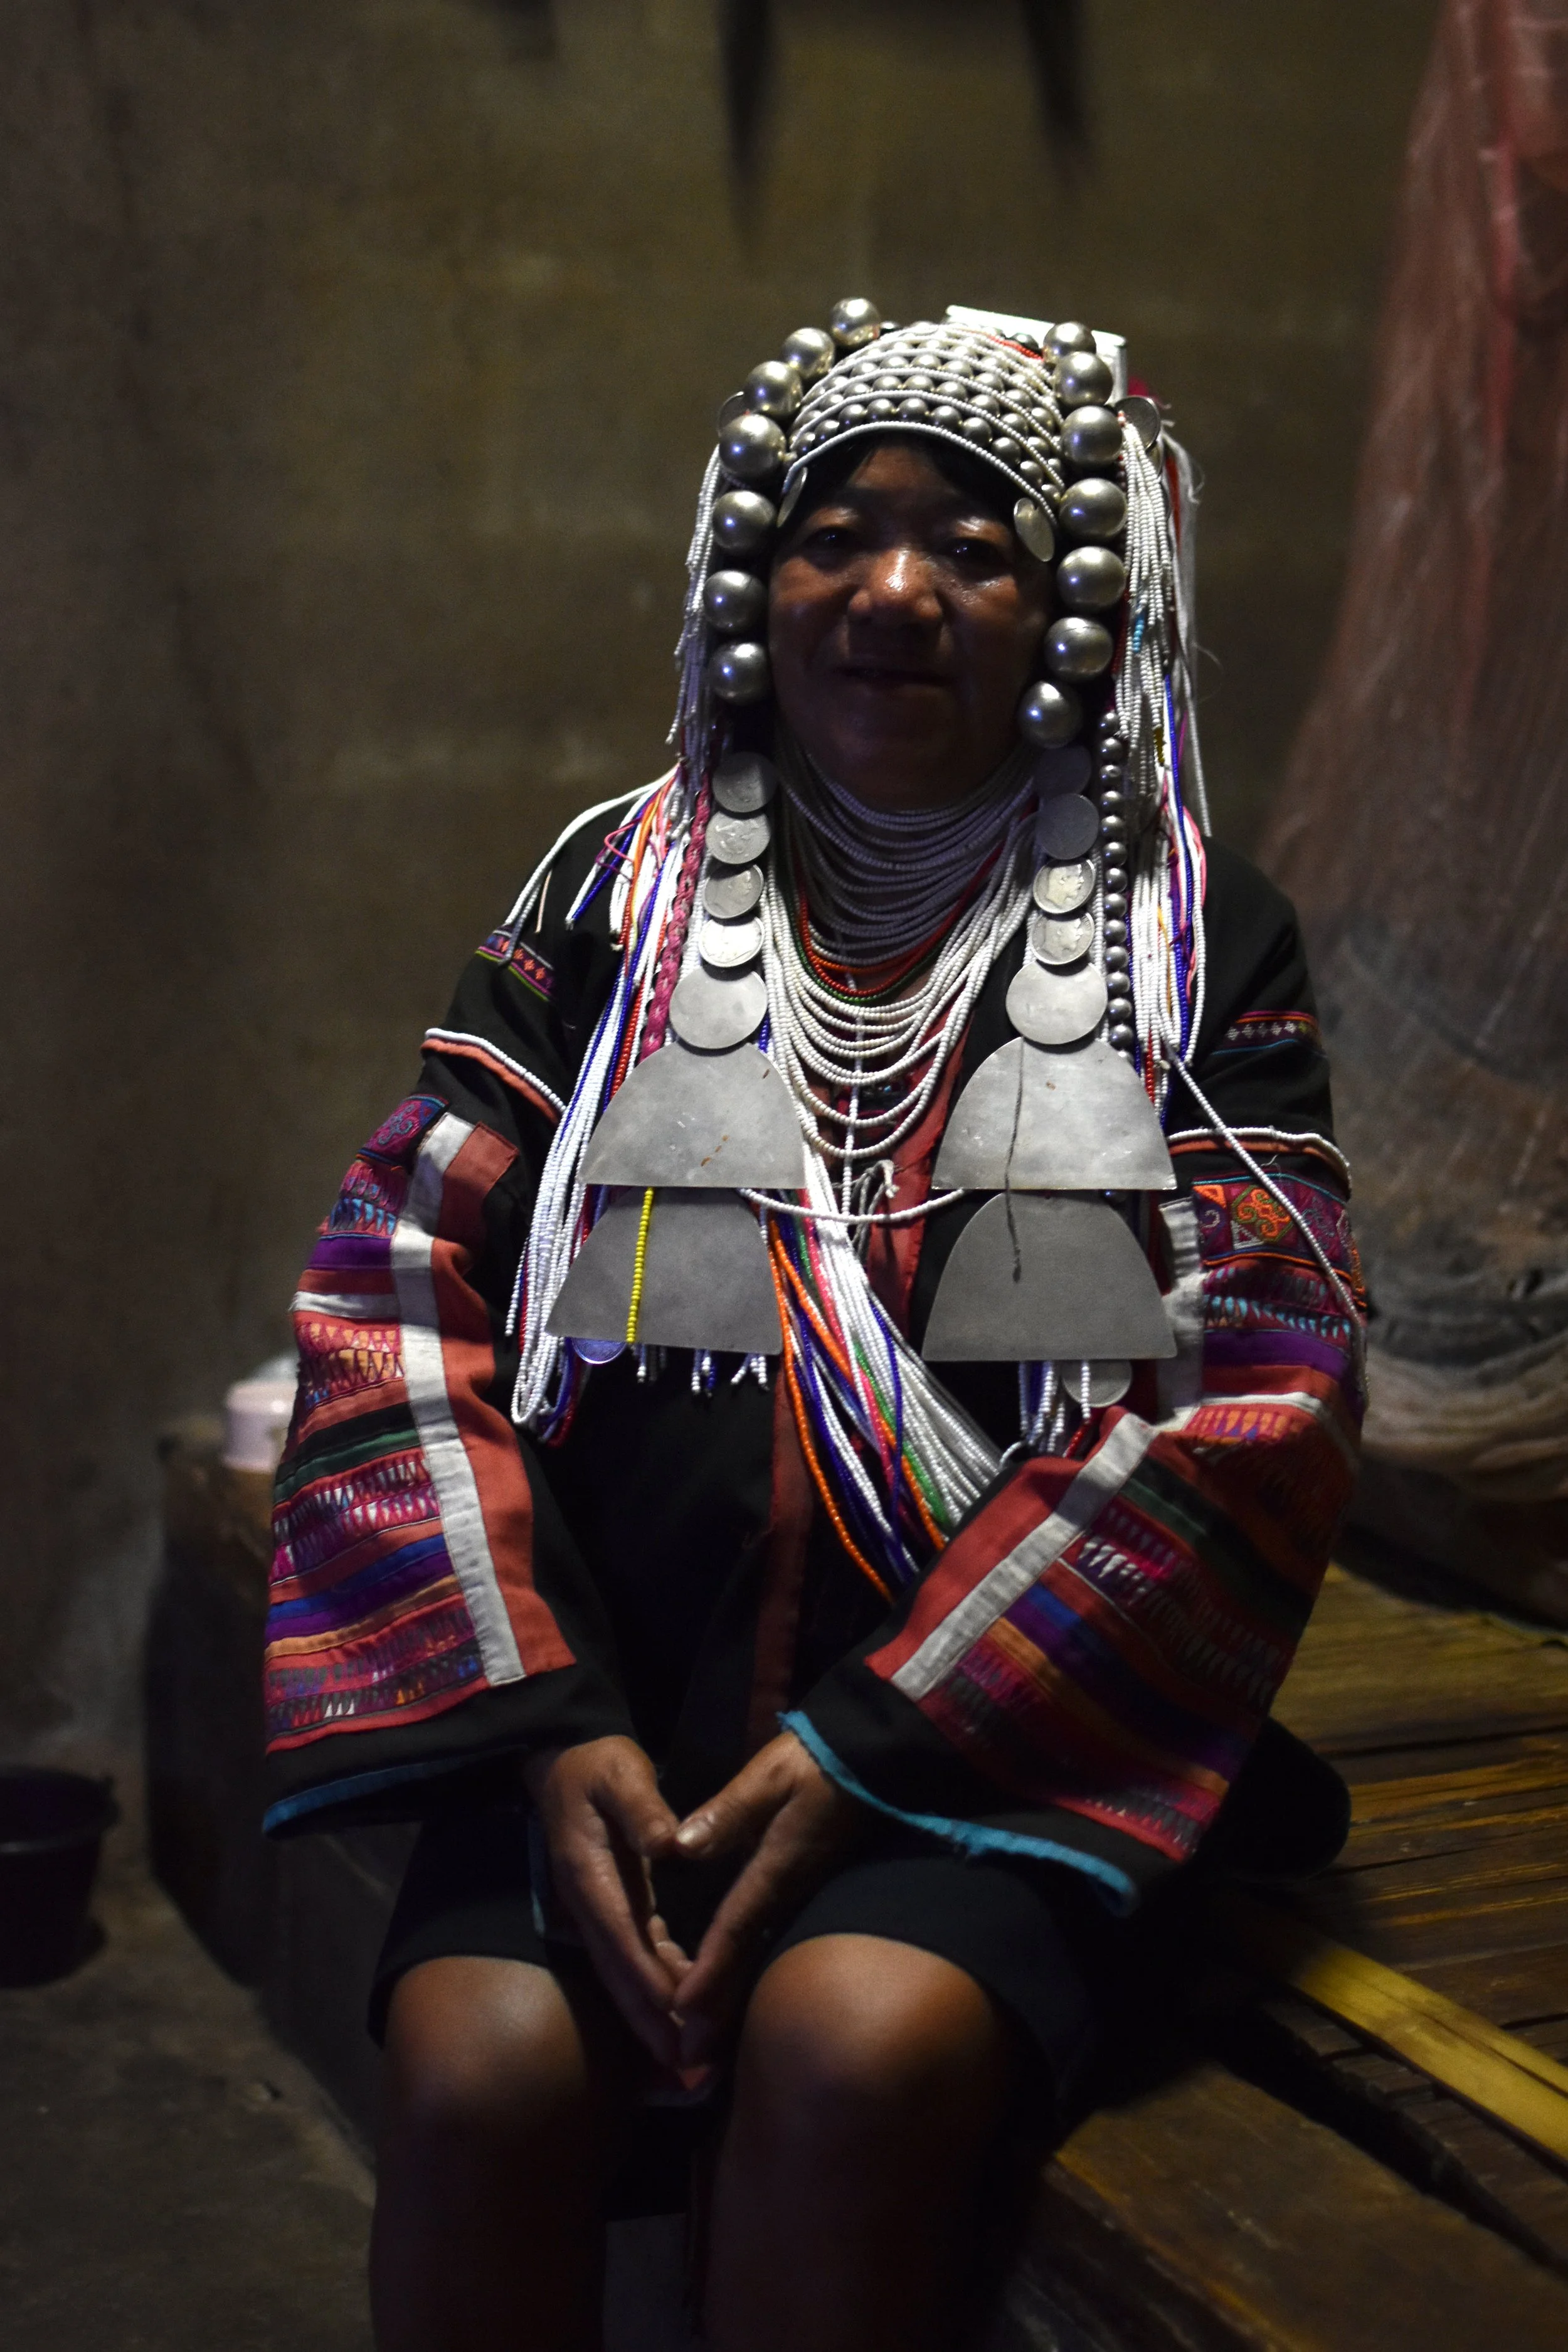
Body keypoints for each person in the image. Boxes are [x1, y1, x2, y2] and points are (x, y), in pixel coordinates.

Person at [263, 299, 1366, 2352]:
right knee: (479, 2066)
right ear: (747, 576)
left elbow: (1254, 1382)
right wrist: (558, 1723)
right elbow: (390, 1289)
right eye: (834, 529)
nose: (888, 588)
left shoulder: (1183, 938)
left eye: (973, 543)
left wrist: (871, 1746)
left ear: (1073, 604)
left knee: (851, 2050)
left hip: (985, 1734)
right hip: (602, 1707)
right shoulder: (614, 898)